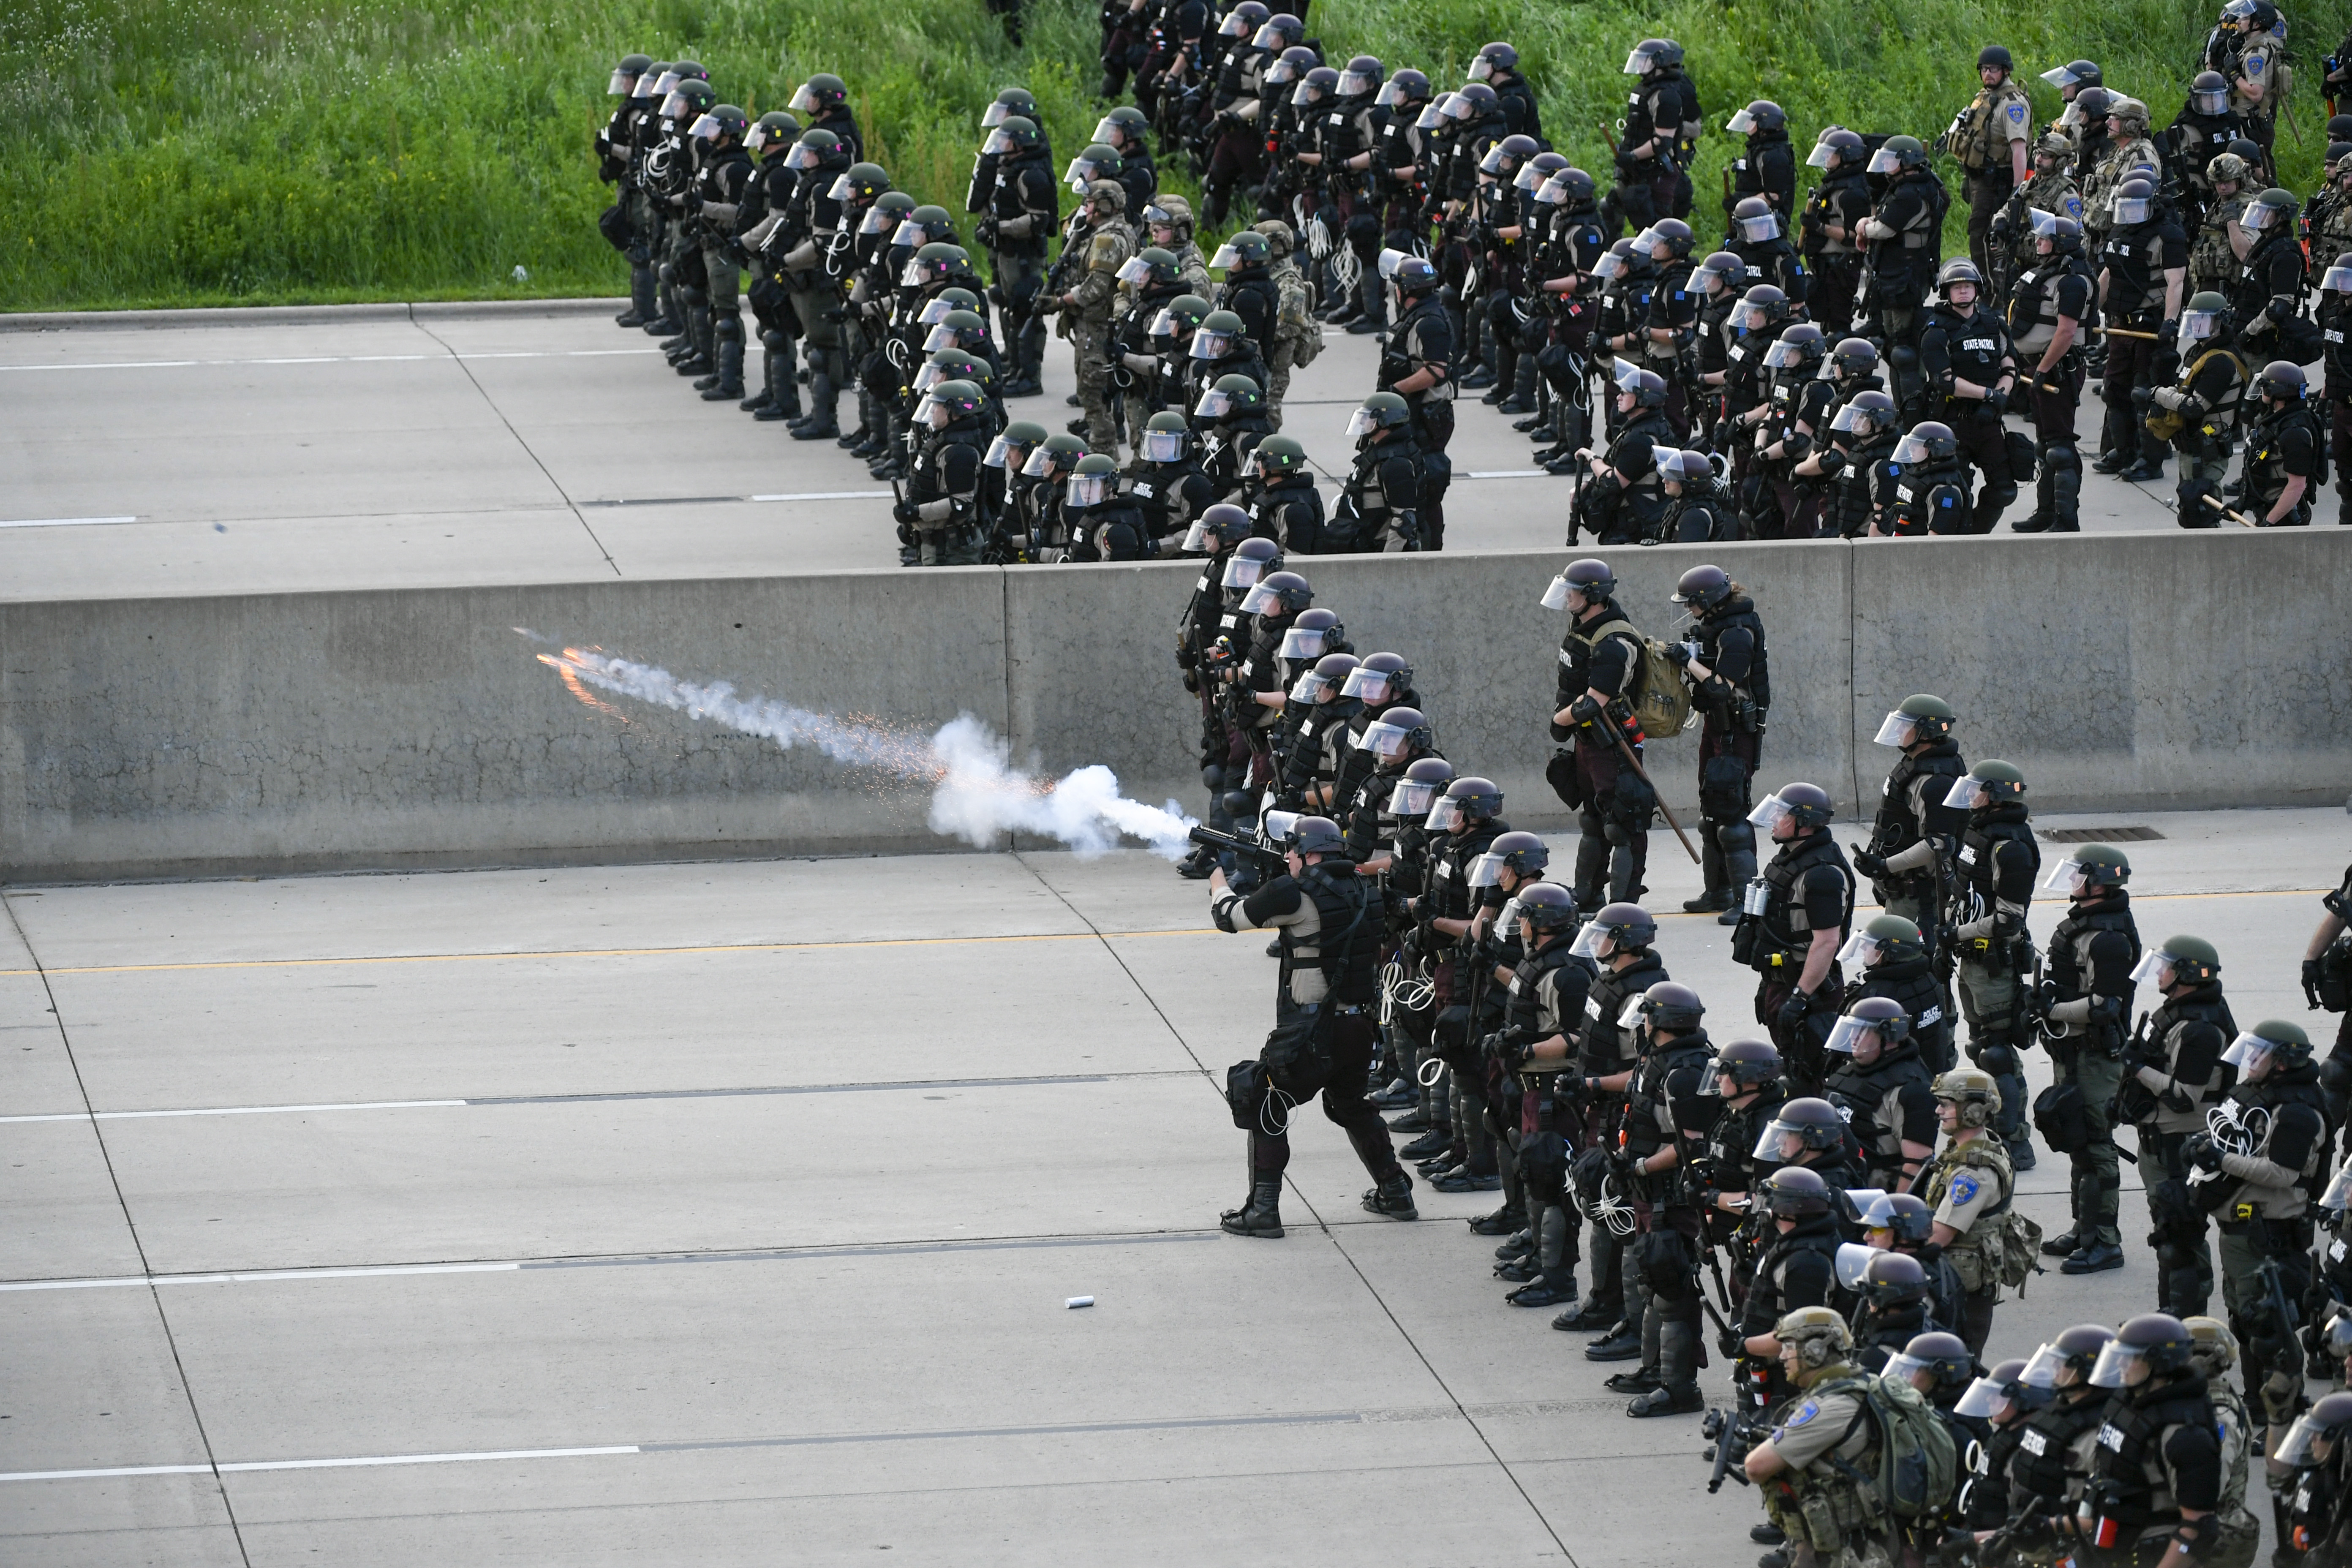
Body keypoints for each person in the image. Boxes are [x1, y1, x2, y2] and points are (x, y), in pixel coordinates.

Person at [1209, 814, 1413, 1236]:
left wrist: (1217, 877)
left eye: (1292, 850)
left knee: (1262, 1097)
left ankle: (1263, 1210)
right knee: (1352, 1105)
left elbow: (1228, 916)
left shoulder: (1294, 893)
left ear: (1309, 852)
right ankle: (1395, 1190)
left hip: (1312, 1032)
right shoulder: (1367, 889)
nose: (1286, 857)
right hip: (1360, 1027)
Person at [2189, 1018, 2327, 1463]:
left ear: (2283, 1063)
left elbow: (2283, 1174)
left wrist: (2221, 1158)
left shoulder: (2299, 1112)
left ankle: (2284, 1422)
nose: (2250, 1062)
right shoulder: (2262, 1096)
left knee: (2273, 1329)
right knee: (2246, 1321)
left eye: (2260, 1055)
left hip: (2267, 1236)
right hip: (2240, 1236)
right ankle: (2256, 1407)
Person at [1611, 980, 1720, 1417]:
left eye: (1649, 1015)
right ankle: (1655, 1369)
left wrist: (1640, 1167)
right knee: (1652, 1278)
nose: (1644, 1022)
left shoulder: (1686, 1072)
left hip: (1672, 1195)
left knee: (1672, 1282)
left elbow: (1693, 1146)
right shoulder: (1656, 1059)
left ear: (1663, 1022)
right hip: (1648, 1191)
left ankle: (1680, 1388)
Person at [2038, 841, 2142, 1275]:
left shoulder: (2108, 940)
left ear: (2098, 882)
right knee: (2079, 1141)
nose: (2072, 881)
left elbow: (2105, 1006)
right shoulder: (2084, 926)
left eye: (2079, 874)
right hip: (2074, 1051)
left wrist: (2052, 1011)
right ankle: (2084, 1229)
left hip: (2096, 1056)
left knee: (2097, 1146)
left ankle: (2105, 1241)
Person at [1742, 1306, 1899, 1568]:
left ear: (1815, 1351)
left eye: (1789, 1347)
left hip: (1847, 1549)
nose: (1782, 1356)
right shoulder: (1861, 1382)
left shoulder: (1831, 1407)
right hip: (1870, 1537)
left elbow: (1756, 1468)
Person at [1941, 760, 2041, 1170]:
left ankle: (2016, 1140)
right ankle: (2000, 1125)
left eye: (1976, 789)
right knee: (1981, 1046)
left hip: (1994, 962)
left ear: (1996, 795)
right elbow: (1961, 890)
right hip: (1970, 959)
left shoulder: (2010, 847)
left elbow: (2008, 920)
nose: (1969, 795)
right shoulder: (1979, 832)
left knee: (1997, 1052)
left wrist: (1957, 935)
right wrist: (1946, 929)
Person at [2128, 936, 2235, 1319]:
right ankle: (2169, 1315)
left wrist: (2139, 1070)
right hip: (2162, 1142)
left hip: (2179, 1144)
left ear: (2188, 974)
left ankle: (2187, 1325)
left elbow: (2186, 1096)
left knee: (2181, 1237)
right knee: (2168, 1233)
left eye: (2167, 966)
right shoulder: (2180, 1014)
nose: (2160, 971)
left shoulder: (2198, 1030)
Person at [1546, 558, 1655, 909]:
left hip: (1613, 745)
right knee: (1593, 820)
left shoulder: (1614, 642)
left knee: (1622, 826)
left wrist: (1560, 722)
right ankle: (1588, 895)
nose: (1567, 598)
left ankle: (1623, 906)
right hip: (1588, 741)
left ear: (1594, 596)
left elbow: (1592, 703)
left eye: (1573, 592)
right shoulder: (1583, 628)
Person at [2078, 1313, 2224, 1568]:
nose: (2120, 1364)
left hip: (2155, 1556)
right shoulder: (2127, 1404)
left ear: (2158, 1364)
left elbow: (2198, 1527)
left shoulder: (2187, 1437)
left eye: (2130, 1357)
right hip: (2114, 1546)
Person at [1735, 784, 1854, 1096]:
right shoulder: (1790, 858)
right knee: (1792, 1064)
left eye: (1781, 814)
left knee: (1809, 1074)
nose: (1773, 819)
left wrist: (1801, 997)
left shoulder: (1822, 875)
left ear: (1803, 822)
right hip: (1783, 980)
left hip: (1810, 990)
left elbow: (1827, 942)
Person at [1663, 565, 1767, 921]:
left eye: (1692, 604)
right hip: (1716, 726)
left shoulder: (1737, 633)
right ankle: (1718, 891)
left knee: (1733, 816)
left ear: (1708, 600)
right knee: (1711, 814)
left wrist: (1689, 662)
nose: (1689, 610)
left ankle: (1746, 902)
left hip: (1736, 730)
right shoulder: (1715, 626)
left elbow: (1723, 686)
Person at [2091, 177, 2187, 482]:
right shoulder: (2118, 232)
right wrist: (2091, 309)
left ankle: (2151, 460)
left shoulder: (2168, 236)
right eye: (2126, 208)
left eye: (2136, 208)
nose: (2130, 214)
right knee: (2114, 391)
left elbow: (2176, 282)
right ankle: (2124, 451)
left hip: (2150, 325)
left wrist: (2171, 322)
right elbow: (2108, 273)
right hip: (2120, 326)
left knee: (2145, 394)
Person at [1914, 1067, 2015, 1356]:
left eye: (1946, 1104)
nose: (1938, 1111)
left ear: (1972, 1111)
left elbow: (1940, 1236)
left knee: (1956, 1362)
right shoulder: (1975, 1148)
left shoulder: (1974, 1172)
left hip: (1960, 1288)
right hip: (1957, 1281)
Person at [2006, 211, 2097, 532]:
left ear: (2061, 244)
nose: (2038, 243)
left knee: (2060, 447)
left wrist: (2044, 370)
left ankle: (2066, 519)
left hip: (2059, 367)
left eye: (2044, 239)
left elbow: (2066, 333)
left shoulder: (2072, 281)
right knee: (2044, 446)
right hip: (2039, 365)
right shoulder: (2047, 272)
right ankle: (2046, 512)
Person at [1915, 259, 2019, 531]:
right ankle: (1960, 538)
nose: (1963, 292)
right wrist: (1987, 394)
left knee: (2005, 489)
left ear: (1977, 289)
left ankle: (1978, 534)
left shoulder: (1994, 325)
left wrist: (1999, 397)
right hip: (1952, 423)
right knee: (1957, 494)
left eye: (1968, 286)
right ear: (1946, 293)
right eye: (1956, 287)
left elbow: (2010, 367)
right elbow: (1944, 381)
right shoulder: (1936, 331)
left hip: (1988, 422)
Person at [1854, 695, 1966, 945]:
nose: (1899, 730)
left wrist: (1884, 867)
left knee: (1908, 963)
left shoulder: (1936, 783)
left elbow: (1938, 844)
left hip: (1920, 897)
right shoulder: (1916, 763)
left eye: (1905, 725)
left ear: (1927, 732)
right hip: (1904, 887)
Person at [1040, 181, 1138, 456]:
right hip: (1098, 326)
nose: (1086, 207)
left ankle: (1103, 452)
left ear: (1105, 205)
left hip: (1098, 327)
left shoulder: (1107, 239)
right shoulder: (1115, 232)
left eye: (1091, 202)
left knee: (1092, 393)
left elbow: (1094, 289)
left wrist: (1059, 302)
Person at [2151, 292, 2253, 526]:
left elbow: (2195, 407)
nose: (2197, 327)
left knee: (2201, 510)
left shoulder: (2221, 362)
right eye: (2193, 321)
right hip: (2190, 444)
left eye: (2203, 321)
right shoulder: (2198, 352)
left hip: (2207, 447)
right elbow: (2182, 390)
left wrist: (2157, 394)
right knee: (2190, 508)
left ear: (2221, 321)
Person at [976, 114, 1059, 398]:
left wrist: (1002, 227)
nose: (1000, 144)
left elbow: (1038, 221)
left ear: (1020, 143)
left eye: (1006, 139)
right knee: (1013, 310)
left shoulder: (1030, 175)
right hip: (1008, 252)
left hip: (1024, 256)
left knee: (1027, 311)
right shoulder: (1010, 168)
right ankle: (1017, 369)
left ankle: (1031, 376)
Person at [1822, 997, 1938, 1193]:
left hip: (1874, 1199)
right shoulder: (1845, 1074)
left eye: (1862, 1031)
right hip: (1835, 1186)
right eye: (1852, 1030)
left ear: (1889, 1036)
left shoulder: (1913, 1091)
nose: (1854, 1039)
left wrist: (1893, 1215)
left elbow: (1917, 1165)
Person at [1377, 256, 1456, 546]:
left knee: (1426, 483)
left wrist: (1396, 391)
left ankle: (1430, 547)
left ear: (1406, 290)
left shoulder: (1429, 323)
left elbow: (1436, 370)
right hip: (1417, 411)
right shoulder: (1419, 317)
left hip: (1425, 414)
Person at [1950, 46, 2034, 285]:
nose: (1988, 74)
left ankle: (1991, 294)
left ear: (2005, 71)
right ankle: (1987, 290)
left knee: (1985, 236)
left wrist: (2018, 191)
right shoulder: (1987, 96)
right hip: (1981, 179)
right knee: (1980, 235)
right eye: (1984, 69)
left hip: (1999, 181)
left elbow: (2019, 149)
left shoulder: (2012, 104)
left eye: (1994, 69)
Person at [1857, 135, 1946, 346]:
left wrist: (1864, 228)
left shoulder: (1910, 194)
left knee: (1903, 337)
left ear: (1905, 162)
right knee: (1892, 334)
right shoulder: (1909, 187)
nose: (1885, 164)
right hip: (1898, 271)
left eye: (1890, 159)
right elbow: (1888, 216)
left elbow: (1885, 229)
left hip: (1906, 274)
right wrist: (1868, 221)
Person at [1840, 915, 1953, 1074]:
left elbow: (1853, 1049)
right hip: (1929, 1074)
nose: (1864, 949)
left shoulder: (1877, 999)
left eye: (1870, 944)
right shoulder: (1931, 983)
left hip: (1890, 1081)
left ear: (1892, 951)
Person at [895, 379, 990, 566]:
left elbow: (962, 503)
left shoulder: (959, 452)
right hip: (938, 547)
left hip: (953, 552)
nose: (931, 411)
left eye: (936, 406)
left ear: (951, 411)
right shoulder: (943, 443)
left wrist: (915, 513)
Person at [1799, 129, 1873, 335]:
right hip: (1827, 266)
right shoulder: (1835, 184)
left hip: (1841, 267)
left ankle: (1844, 363)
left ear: (1846, 156)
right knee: (1827, 321)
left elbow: (1854, 237)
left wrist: (1820, 227)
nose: (1825, 158)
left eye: (1830, 154)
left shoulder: (1851, 193)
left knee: (1839, 326)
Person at [2237, 360, 2326, 526]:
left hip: (2284, 519)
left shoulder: (2295, 433)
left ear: (2275, 392)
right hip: (2271, 511)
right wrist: (2240, 505)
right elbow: (2257, 470)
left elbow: (2297, 486)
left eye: (2264, 387)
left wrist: (2270, 522)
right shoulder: (2277, 419)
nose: (2261, 391)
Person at [1337, 391, 1423, 550]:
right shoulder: (1377, 449)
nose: (1362, 421)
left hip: (1379, 547)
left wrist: (1386, 563)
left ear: (1385, 421)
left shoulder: (1396, 464)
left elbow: (1404, 520)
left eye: (1367, 417)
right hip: (1363, 538)